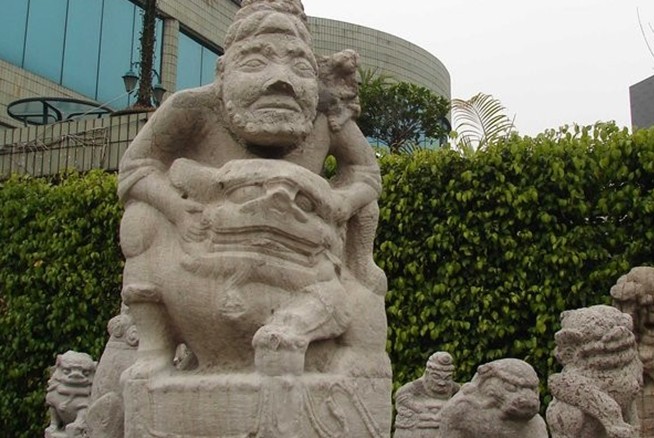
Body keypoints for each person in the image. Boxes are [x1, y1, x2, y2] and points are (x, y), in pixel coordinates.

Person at [394, 352, 459, 437]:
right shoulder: (418, 385)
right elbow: (400, 395)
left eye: (447, 378)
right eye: (436, 377)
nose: (442, 383)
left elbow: (464, 395)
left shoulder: (453, 387)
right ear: (427, 374)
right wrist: (419, 408)